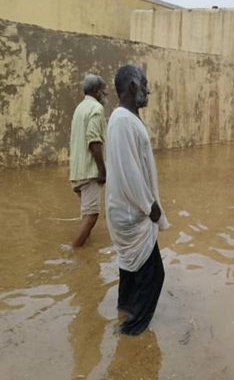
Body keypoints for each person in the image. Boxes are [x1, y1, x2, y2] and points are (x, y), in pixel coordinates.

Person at [105, 64, 169, 335]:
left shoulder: (126, 119)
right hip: (133, 212)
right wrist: (150, 206)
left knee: (131, 270)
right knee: (154, 275)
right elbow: (128, 171)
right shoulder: (121, 120)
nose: (148, 89)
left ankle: (125, 309)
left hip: (130, 210)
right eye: (144, 84)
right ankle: (131, 330)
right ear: (132, 86)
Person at [69, 74, 109, 248]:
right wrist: (102, 170)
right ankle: (74, 252)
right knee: (92, 216)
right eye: (103, 89)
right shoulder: (96, 108)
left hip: (77, 172)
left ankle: (86, 257)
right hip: (90, 171)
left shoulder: (80, 108)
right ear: (96, 91)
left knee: (86, 215)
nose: (106, 92)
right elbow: (93, 140)